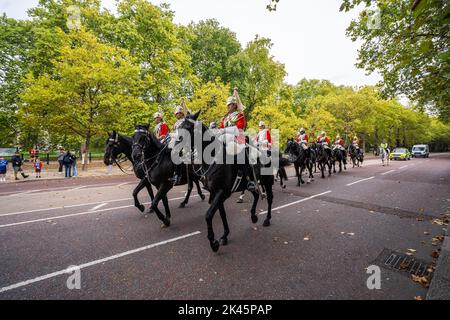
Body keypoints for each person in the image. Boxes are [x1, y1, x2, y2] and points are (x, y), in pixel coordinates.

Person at [218, 88, 256, 191]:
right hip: (225, 138)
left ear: (235, 105)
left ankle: (248, 179)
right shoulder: (225, 118)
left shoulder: (240, 115)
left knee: (242, 153)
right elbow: (220, 129)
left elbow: (239, 129)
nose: (227, 107)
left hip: (238, 138)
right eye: (227, 105)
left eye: (229, 105)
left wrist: (223, 131)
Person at [171, 99, 189, 185]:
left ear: (182, 113)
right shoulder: (176, 123)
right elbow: (175, 133)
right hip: (177, 140)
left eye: (178, 113)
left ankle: (178, 175)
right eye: (176, 113)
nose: (176, 115)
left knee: (176, 153)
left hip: (184, 141)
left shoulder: (184, 121)